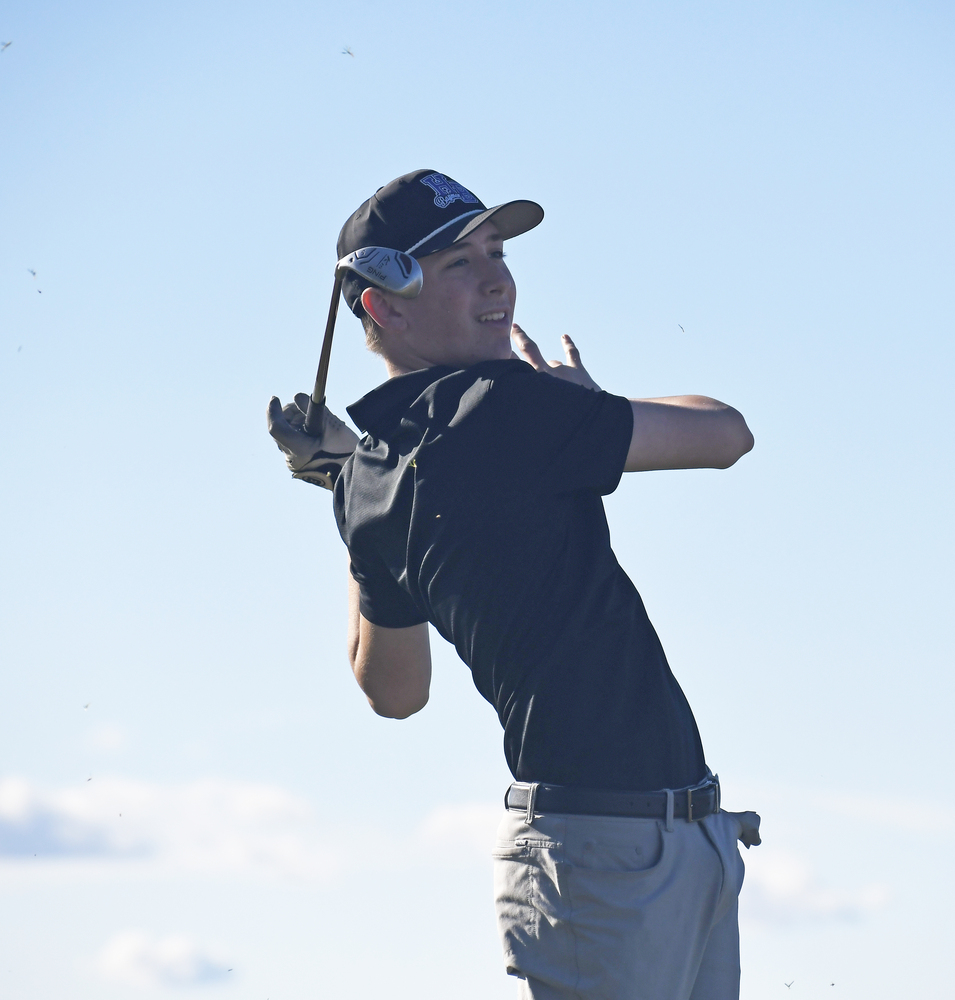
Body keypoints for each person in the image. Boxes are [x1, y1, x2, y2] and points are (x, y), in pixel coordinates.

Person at [267, 169, 760, 1000]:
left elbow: (394, 690)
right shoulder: (503, 406)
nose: (498, 280)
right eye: (459, 264)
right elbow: (727, 434)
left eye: (495, 253)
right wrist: (591, 400)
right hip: (616, 858)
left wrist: (346, 488)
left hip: (618, 849)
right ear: (382, 304)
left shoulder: (372, 477)